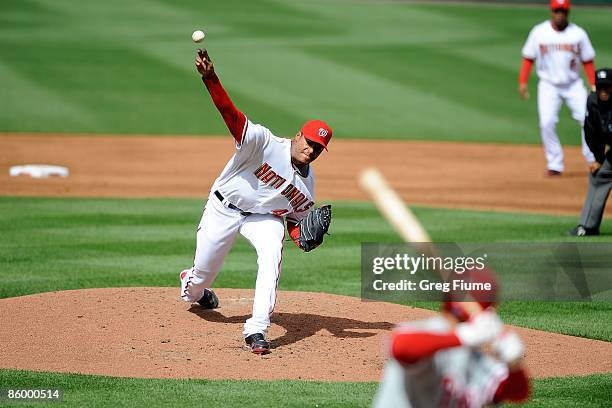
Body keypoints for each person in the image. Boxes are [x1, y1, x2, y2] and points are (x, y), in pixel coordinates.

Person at [179, 49, 333, 354]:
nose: (312, 151)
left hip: (262, 218)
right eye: (310, 143)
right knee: (203, 275)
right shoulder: (262, 141)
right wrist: (210, 78)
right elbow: (231, 116)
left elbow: (295, 222)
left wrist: (304, 237)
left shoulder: (308, 185)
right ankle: (194, 287)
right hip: (224, 207)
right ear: (298, 135)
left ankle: (257, 329)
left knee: (272, 251)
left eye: (319, 148)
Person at [373, 271, 530, 407]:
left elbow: (518, 393)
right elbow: (400, 346)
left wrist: (514, 365)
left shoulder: (476, 357)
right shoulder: (430, 332)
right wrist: (465, 336)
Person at [519, 0, 597, 176]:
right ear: (551, 11)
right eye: (557, 10)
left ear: (568, 12)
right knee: (546, 122)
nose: (560, 14)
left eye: (563, 11)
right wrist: (522, 81)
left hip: (573, 84)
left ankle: (593, 159)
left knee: (589, 120)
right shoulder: (539, 32)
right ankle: (555, 164)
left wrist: (593, 83)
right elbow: (528, 57)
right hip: (548, 85)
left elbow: (587, 60)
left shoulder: (578, 34)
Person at [569, 68, 612, 236]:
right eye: (600, 87)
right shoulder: (593, 102)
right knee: (599, 174)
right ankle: (587, 227)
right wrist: (599, 158)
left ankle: (588, 227)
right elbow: (591, 132)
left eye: (607, 87)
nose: (603, 91)